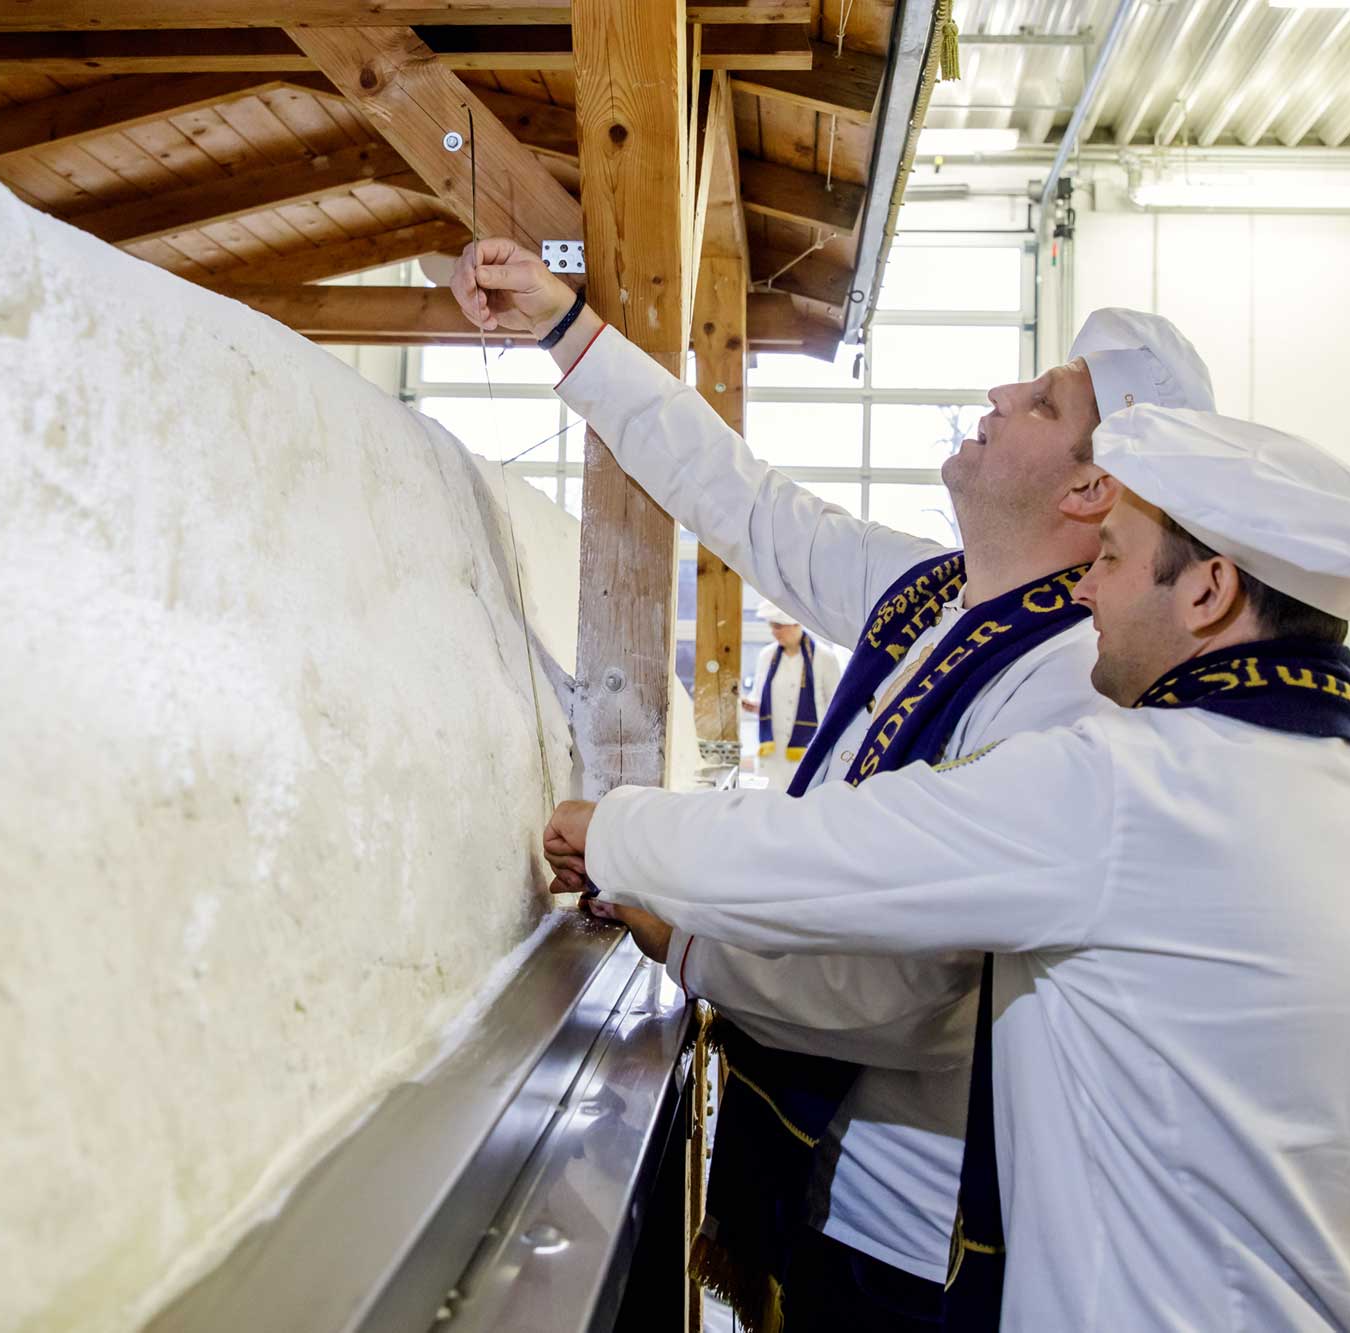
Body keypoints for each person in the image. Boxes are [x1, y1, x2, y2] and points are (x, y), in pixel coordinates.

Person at [542, 407, 1350, 1332]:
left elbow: (835, 849)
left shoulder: (1125, 788)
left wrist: (612, 829)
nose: (1084, 588)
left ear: (1205, 590)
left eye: (1107, 557)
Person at [450, 236, 1214, 1330]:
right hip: (825, 1174)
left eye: (1041, 401)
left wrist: (683, 933)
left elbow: (907, 986)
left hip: (903, 1221)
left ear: (1092, 488)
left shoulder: (1067, 689)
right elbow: (741, 498)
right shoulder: (931, 598)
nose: (999, 390)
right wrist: (565, 327)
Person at [743, 599, 843, 791]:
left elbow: (835, 707)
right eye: (772, 626)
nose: (774, 632)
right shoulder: (766, 656)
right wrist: (751, 705)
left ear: (796, 624)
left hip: (808, 749)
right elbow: (759, 698)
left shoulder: (824, 657)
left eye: (779, 626)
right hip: (772, 754)